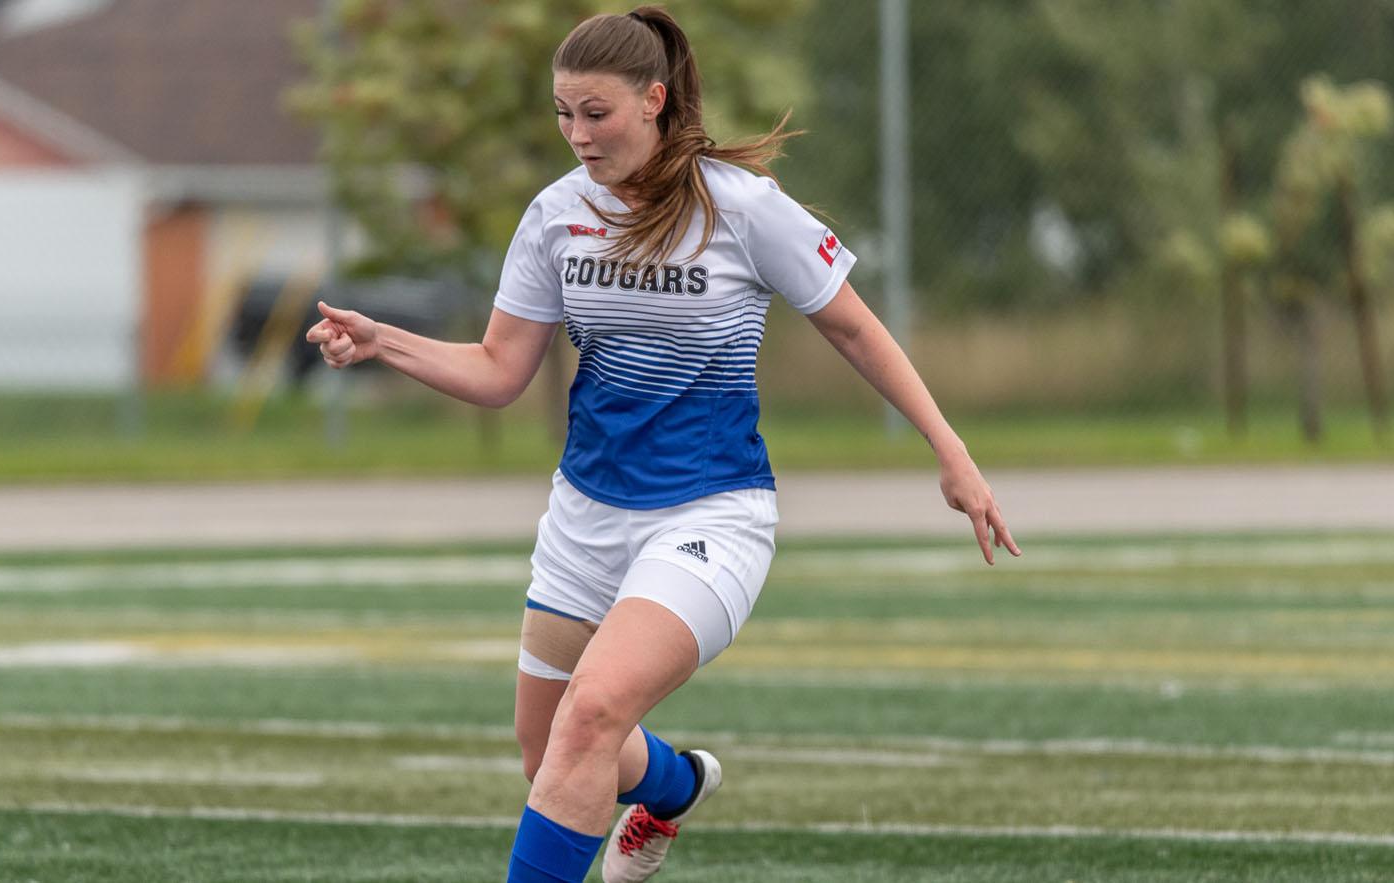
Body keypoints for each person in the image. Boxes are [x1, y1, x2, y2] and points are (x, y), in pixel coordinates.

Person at [306, 7, 1018, 882]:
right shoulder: (557, 215)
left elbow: (855, 330)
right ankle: (674, 786)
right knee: (550, 754)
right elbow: (499, 370)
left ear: (654, 99)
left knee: (591, 716)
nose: (576, 135)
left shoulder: (742, 207)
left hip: (710, 513)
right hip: (585, 517)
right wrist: (384, 343)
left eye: (595, 113)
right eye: (563, 113)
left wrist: (950, 450)